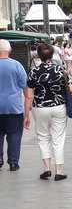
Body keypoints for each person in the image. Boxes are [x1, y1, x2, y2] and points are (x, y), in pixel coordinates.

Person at [26, 43, 72, 181]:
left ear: (38, 55)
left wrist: (26, 115)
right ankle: (59, 171)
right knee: (58, 139)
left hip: (40, 107)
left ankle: (46, 169)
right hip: (58, 106)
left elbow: (29, 95)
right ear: (52, 54)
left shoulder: (33, 72)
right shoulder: (61, 70)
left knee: (43, 138)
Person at [0, 40, 31, 172]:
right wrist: (27, 113)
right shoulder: (17, 65)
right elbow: (27, 92)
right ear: (10, 51)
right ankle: (13, 162)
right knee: (14, 135)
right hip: (14, 107)